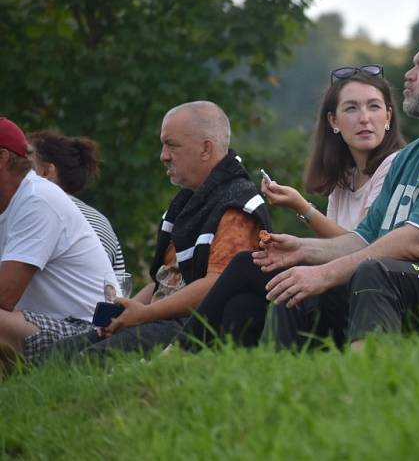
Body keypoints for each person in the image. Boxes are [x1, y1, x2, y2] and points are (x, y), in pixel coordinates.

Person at [176, 28, 419, 350]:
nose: (409, 75)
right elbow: (366, 239)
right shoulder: (413, 155)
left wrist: (325, 271)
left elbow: (417, 243)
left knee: (375, 272)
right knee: (298, 286)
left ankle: (362, 382)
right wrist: (303, 250)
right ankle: (292, 390)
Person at [48, 101, 271, 359]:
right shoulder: (189, 201)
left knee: (86, 361)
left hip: (190, 328)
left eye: (172, 145)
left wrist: (144, 314)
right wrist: (124, 315)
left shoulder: (236, 206)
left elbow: (217, 285)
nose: (163, 155)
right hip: (160, 319)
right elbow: (163, 283)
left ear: (205, 149)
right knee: (54, 358)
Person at [0, 117, 114, 372]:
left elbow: (3, 296)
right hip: (41, 323)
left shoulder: (37, 200)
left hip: (88, 332)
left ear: (3, 158)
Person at [263, 65, 405, 236]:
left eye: (374, 106)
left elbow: (364, 246)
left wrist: (301, 206)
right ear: (333, 121)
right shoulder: (344, 179)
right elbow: (333, 249)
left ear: (388, 117)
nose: (364, 118)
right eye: (351, 108)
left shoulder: (396, 166)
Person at [28, 130, 126, 274]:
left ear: (47, 172)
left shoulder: (45, 216)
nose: (17, 171)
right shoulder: (99, 219)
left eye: (26, 165)